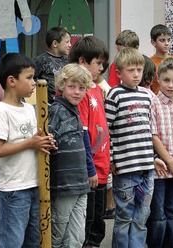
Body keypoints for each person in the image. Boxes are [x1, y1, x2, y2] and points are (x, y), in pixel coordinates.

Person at [0, 53, 56, 247]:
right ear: (11, 81)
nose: (34, 83)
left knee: (34, 240)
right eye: (29, 78)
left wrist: (45, 142)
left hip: (35, 184)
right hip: (13, 189)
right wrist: (31, 143)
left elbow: (34, 140)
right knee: (12, 241)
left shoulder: (28, 108)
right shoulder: (1, 111)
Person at [105, 47, 154, 248]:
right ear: (119, 73)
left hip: (146, 167)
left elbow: (150, 130)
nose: (136, 74)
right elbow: (106, 131)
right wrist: (110, 159)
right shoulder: (115, 94)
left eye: (139, 70)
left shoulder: (146, 95)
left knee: (142, 216)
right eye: (131, 70)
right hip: (125, 168)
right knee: (125, 216)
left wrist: (154, 158)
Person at [67, 36, 113, 248]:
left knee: (98, 221)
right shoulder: (81, 91)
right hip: (91, 167)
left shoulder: (95, 87)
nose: (101, 68)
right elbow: (83, 132)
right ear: (82, 62)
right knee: (87, 222)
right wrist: (90, 167)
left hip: (102, 164)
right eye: (98, 63)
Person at [47, 63, 94, 247]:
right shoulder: (55, 110)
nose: (77, 92)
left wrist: (90, 172)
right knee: (57, 235)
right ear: (61, 86)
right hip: (64, 184)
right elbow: (48, 141)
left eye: (81, 88)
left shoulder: (76, 112)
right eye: (72, 86)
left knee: (76, 237)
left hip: (81, 183)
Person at [146, 57, 173, 248]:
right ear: (158, 79)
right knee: (158, 215)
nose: (170, 85)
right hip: (161, 170)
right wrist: (170, 162)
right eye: (166, 80)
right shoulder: (153, 104)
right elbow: (153, 136)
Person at [34, 27, 71, 104]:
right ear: (55, 44)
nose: (70, 45)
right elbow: (31, 81)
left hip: (64, 104)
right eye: (67, 42)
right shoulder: (41, 60)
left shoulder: (67, 61)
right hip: (46, 106)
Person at [149, 24, 172, 95]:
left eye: (168, 40)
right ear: (153, 42)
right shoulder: (150, 63)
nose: (167, 43)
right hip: (156, 101)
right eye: (162, 40)